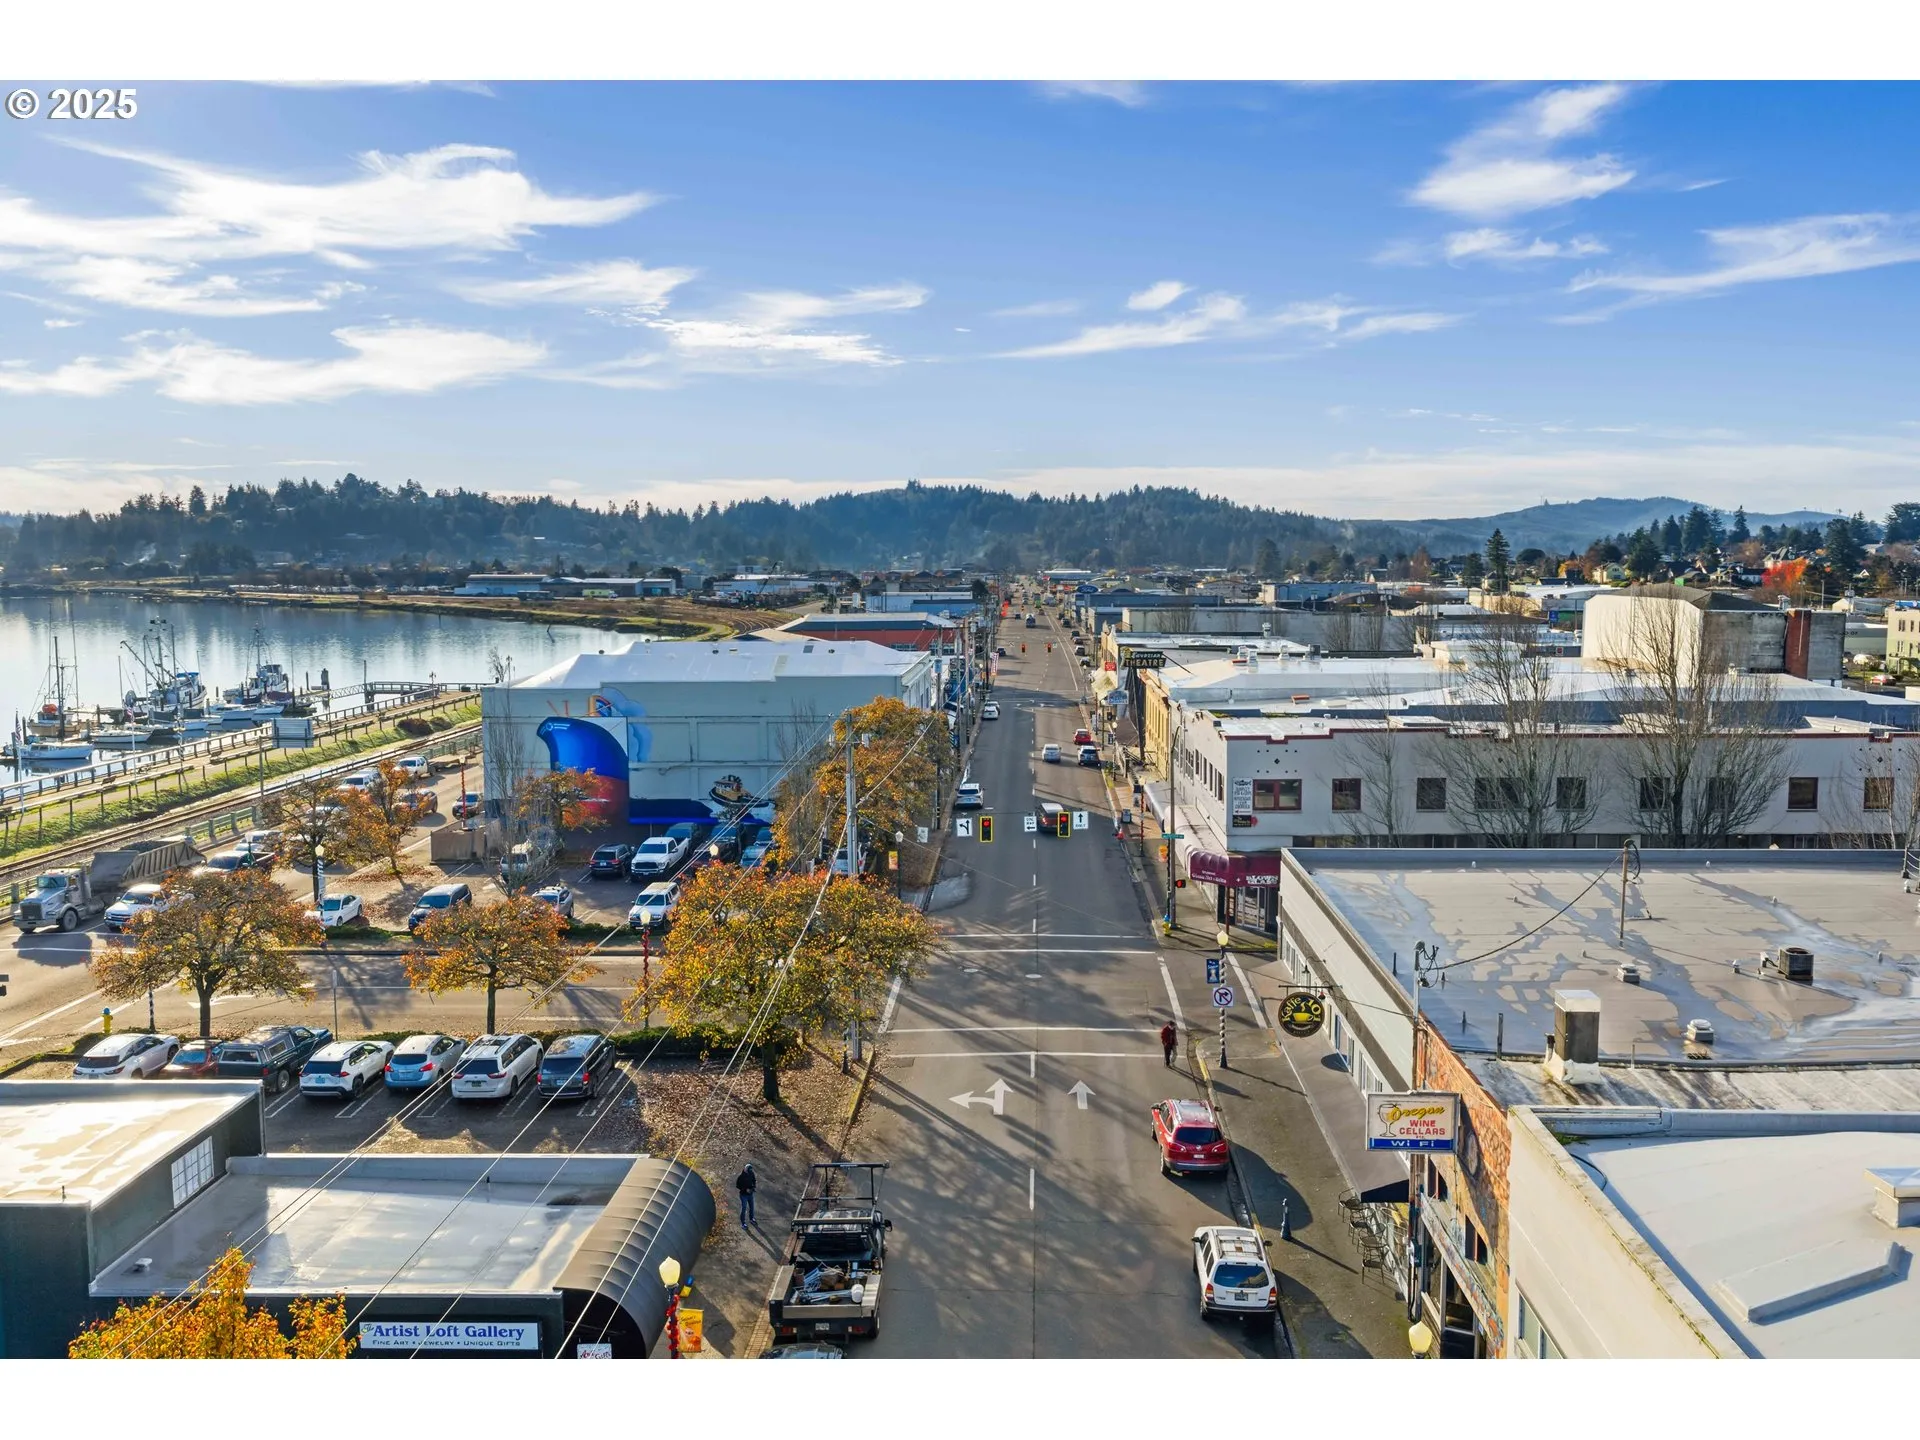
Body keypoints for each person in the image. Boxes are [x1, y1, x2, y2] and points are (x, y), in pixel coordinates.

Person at [736, 1162, 757, 1227]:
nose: (750, 1172)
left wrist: (753, 1187)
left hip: (750, 1194)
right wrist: (745, 1189)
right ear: (745, 1169)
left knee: (752, 1207)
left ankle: (751, 1219)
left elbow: (754, 1180)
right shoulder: (741, 1176)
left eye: (750, 1170)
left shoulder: (751, 1173)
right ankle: (743, 1223)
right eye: (748, 1170)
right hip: (743, 1195)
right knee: (744, 1208)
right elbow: (737, 1186)